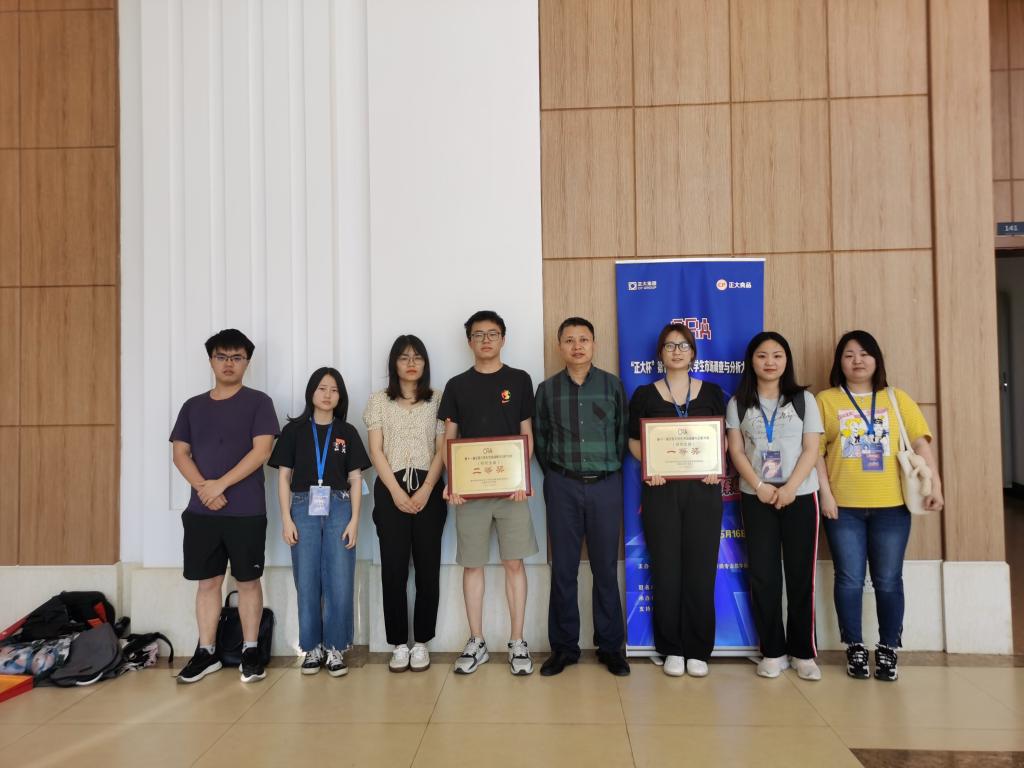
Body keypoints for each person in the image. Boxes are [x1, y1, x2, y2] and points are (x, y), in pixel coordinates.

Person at [816, 330, 944, 682]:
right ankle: (854, 646)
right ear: (839, 362)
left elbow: (920, 444)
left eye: (864, 353)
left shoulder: (895, 398)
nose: (857, 360)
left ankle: (888, 647)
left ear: (877, 359)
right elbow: (816, 453)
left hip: (893, 507)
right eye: (849, 354)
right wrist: (826, 494)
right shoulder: (826, 400)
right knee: (849, 579)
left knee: (888, 579)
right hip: (844, 508)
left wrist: (935, 484)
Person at [170, 329, 279, 684]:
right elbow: (180, 453)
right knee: (208, 582)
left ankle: (250, 649)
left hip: (246, 511)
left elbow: (261, 451)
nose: (229, 364)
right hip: (202, 512)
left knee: (248, 581)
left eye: (236, 358)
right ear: (211, 360)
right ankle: (206, 652)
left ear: (247, 362)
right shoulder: (192, 406)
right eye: (222, 357)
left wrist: (221, 484)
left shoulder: (259, 402)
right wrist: (205, 489)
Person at [439, 310, 540, 675]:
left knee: (514, 563)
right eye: (479, 334)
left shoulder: (519, 379)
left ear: (503, 339)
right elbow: (449, 439)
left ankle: (517, 641)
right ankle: (477, 640)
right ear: (469, 341)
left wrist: (521, 478)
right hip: (470, 494)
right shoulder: (456, 385)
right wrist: (453, 481)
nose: (486, 340)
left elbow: (526, 434)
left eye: (492, 334)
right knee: (473, 564)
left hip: (512, 493)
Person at [627, 322, 724, 678]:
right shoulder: (644, 394)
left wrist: (716, 465)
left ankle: (698, 649)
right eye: (670, 345)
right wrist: (650, 465)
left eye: (683, 345)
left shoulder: (712, 392)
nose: (677, 351)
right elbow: (633, 440)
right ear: (660, 354)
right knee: (666, 570)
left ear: (693, 352)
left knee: (700, 570)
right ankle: (671, 648)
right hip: (661, 491)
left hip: (704, 491)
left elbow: (723, 438)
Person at [534, 317, 630, 677]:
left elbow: (622, 435)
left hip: (605, 485)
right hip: (563, 485)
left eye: (584, 339)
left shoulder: (612, 385)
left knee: (605, 568)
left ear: (593, 344)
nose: (577, 346)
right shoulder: (547, 390)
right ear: (560, 346)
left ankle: (610, 647)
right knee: (564, 569)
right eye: (570, 340)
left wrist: (605, 471)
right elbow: (541, 440)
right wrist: (559, 476)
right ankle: (564, 648)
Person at [726, 331, 823, 681]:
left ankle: (803, 652)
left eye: (777, 355)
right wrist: (760, 486)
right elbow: (736, 450)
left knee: (800, 576)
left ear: (786, 361)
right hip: (758, 498)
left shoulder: (803, 400)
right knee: (764, 575)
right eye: (762, 355)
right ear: (751, 361)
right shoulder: (738, 402)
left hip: (801, 496)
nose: (770, 362)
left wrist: (790, 488)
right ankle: (773, 651)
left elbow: (812, 449)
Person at [269, 367, 370, 677]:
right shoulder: (294, 431)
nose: (328, 394)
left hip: (340, 506)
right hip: (302, 507)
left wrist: (354, 520)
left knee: (340, 578)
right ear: (311, 392)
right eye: (322, 388)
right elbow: (283, 477)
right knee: (307, 579)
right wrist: (286, 519)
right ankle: (312, 647)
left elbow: (356, 479)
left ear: (341, 396)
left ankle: (336, 647)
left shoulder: (347, 432)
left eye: (334, 390)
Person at [364, 335, 447, 673]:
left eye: (417, 357)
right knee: (394, 569)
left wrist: (426, 488)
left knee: (428, 568)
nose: (411, 363)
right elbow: (376, 450)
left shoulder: (438, 399)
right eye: (403, 357)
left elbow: (443, 448)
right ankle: (399, 643)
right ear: (393, 363)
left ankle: (422, 641)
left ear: (425, 363)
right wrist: (396, 492)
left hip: (429, 487)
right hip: (390, 487)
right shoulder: (378, 401)